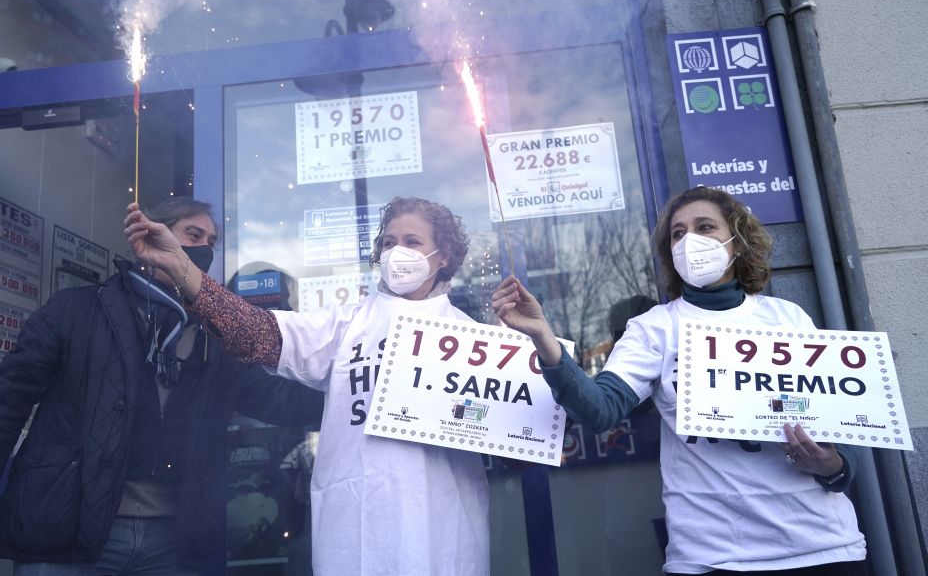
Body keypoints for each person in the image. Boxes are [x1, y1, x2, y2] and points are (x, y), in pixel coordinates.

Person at [492, 186, 867, 575]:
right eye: (678, 233)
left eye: (705, 227)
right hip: (712, 557)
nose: (690, 241)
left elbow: (836, 432)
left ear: (737, 242)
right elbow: (599, 410)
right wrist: (544, 338)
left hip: (824, 548)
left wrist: (832, 464)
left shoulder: (788, 318)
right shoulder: (654, 328)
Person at [124, 196, 490, 576]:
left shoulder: (475, 341)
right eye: (388, 242)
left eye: (412, 242)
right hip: (356, 534)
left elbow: (522, 431)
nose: (397, 252)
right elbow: (256, 334)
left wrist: (541, 348)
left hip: (444, 532)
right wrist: (182, 268)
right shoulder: (345, 327)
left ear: (443, 255)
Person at [0, 197, 323, 575]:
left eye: (211, 242)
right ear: (155, 234)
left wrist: (358, 387)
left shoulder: (215, 337)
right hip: (67, 530)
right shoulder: (75, 310)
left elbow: (279, 400)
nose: (203, 248)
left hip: (169, 543)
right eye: (193, 234)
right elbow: (10, 397)